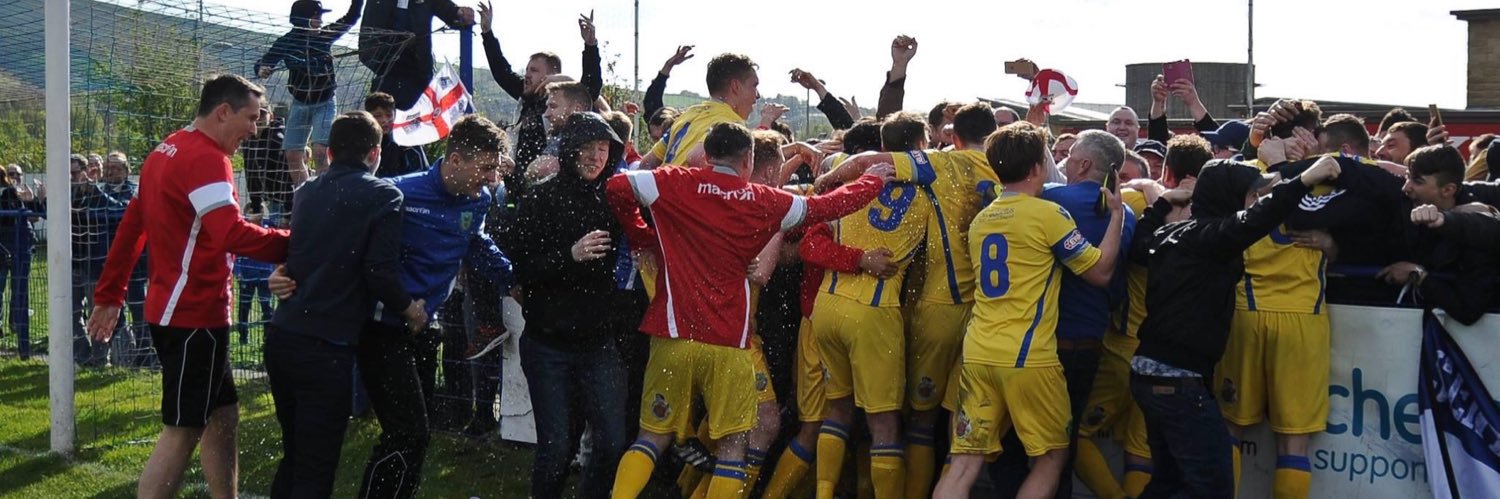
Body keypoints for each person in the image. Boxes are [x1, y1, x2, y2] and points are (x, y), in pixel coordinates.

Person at [607, 122, 893, 499]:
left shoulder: (673, 182)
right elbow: (828, 206)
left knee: (650, 437)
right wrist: (871, 181)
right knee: (732, 449)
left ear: (708, 156)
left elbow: (616, 187)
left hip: (671, 335)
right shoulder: (764, 199)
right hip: (730, 342)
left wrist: (642, 235)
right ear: (748, 161)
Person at [272, 115, 514, 499]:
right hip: (380, 328)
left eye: (495, 169)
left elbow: (476, 242)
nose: (490, 178)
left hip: (423, 329)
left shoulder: (478, 200)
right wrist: (285, 270)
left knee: (415, 434)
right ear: (454, 161)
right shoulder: (396, 192)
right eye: (485, 168)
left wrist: (513, 279)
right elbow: (336, 240)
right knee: (408, 431)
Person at [87, 74, 291, 499]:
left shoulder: (166, 148)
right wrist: (299, 243)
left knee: (224, 414)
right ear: (223, 112)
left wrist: (110, 295)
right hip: (194, 316)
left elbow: (132, 226)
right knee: (181, 431)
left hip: (173, 311)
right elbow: (230, 233)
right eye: (251, 119)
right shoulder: (207, 159)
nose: (255, 129)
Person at [1127, 157, 1341, 498]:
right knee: (1211, 489)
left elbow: (1139, 245)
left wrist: (1163, 203)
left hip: (1151, 376)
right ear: (1230, 198)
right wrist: (1303, 181)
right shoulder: (1210, 237)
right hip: (1180, 383)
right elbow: (1256, 221)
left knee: (1168, 482)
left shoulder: (1172, 233)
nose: (1253, 201)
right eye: (1250, 195)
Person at [932, 123, 1125, 499]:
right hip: (1029, 357)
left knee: (964, 464)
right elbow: (1100, 272)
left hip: (978, 354)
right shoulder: (1047, 214)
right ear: (1037, 168)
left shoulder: (982, 220)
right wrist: (1115, 215)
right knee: (1052, 457)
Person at [262, 111, 424, 498]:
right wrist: (409, 308)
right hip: (325, 345)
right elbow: (379, 272)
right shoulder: (385, 195)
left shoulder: (308, 191)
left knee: (295, 454)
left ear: (330, 153)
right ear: (375, 152)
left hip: (283, 336)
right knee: (316, 466)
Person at [506, 112, 629, 498]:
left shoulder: (615, 199)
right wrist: (570, 255)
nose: (595, 157)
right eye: (588, 149)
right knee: (557, 449)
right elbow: (521, 270)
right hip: (548, 345)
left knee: (611, 444)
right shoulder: (540, 198)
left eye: (603, 149)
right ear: (571, 150)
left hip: (598, 344)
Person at [479, 1, 601, 184]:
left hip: (548, 186)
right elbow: (502, 73)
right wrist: (487, 33)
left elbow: (589, 89)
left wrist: (591, 46)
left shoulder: (563, 104)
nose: (527, 75)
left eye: (534, 70)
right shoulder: (527, 97)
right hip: (518, 183)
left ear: (552, 75)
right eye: (527, 70)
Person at [256, 0, 363, 179]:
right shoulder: (287, 42)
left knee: (320, 151)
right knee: (292, 155)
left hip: (325, 102)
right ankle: (304, 192)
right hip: (299, 103)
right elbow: (265, 61)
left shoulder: (325, 36)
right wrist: (261, 69)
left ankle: (325, 190)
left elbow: (351, 18)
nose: (321, 21)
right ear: (303, 19)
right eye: (317, 17)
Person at [358, 0, 475, 110]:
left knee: (416, 120)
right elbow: (367, 38)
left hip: (417, 71)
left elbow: (446, 9)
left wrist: (459, 13)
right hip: (386, 70)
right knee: (382, 115)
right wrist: (373, 57)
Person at [72, 154, 130, 366]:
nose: (109, 171)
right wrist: (82, 190)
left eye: (114, 167)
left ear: (126, 169)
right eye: (107, 167)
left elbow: (120, 211)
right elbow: (77, 217)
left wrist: (94, 190)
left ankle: (128, 360)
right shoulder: (95, 190)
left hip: (123, 265)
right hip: (90, 261)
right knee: (81, 314)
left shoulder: (131, 190)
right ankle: (89, 358)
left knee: (126, 315)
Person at [0, 164, 39, 352]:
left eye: (18, 174)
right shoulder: (5, 194)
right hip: (3, 247)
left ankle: (17, 324)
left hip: (23, 247)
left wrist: (30, 201)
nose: (15, 176)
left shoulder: (24, 193)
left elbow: (35, 218)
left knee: (19, 289)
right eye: (11, 174)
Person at [241, 106, 292, 219]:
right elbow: (250, 175)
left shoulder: (277, 140)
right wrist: (256, 206)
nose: (259, 119)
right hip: (269, 199)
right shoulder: (248, 141)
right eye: (256, 115)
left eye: (263, 114)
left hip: (285, 201)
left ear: (271, 116)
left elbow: (287, 176)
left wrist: (288, 211)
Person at [365, 91, 429, 178]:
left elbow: (420, 174)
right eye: (378, 115)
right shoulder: (362, 143)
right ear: (368, 116)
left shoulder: (405, 141)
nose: (385, 120)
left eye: (389, 115)